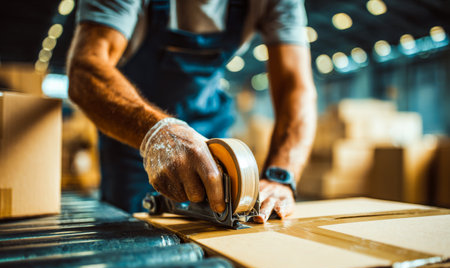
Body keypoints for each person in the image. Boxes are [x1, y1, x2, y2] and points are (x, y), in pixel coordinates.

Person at [67, 0, 317, 223]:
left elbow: (296, 88)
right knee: (131, 233)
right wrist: (157, 134)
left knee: (221, 228)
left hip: (211, 128)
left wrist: (279, 176)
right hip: (136, 134)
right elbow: (85, 69)